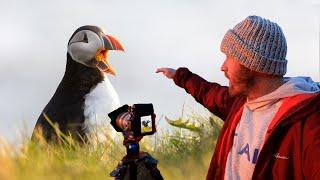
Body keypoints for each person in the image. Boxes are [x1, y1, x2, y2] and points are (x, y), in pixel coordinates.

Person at [156, 15, 320, 179]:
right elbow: (209, 93)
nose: (223, 67)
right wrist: (179, 76)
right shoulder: (240, 103)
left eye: (229, 57)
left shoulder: (307, 123)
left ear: (252, 64)